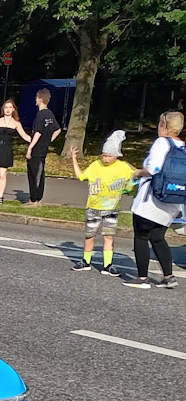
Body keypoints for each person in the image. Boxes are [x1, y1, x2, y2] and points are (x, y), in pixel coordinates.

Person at [122, 111, 185, 288]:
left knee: (141, 236)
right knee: (158, 237)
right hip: (173, 198)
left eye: (159, 123)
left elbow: (153, 168)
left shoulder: (162, 142)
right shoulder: (183, 146)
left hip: (152, 199)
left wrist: (138, 172)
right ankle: (168, 276)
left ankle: (142, 279)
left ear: (164, 125)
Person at [68, 131, 133, 276]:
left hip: (111, 208)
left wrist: (128, 188)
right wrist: (74, 159)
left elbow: (134, 176)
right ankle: (86, 261)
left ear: (117, 155)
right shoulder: (95, 165)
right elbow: (81, 176)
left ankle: (108, 265)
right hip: (93, 207)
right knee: (90, 235)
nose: (106, 158)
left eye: (109, 156)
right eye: (104, 155)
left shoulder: (124, 167)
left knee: (108, 236)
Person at [0, 99, 32, 204]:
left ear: (13, 109)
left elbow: (25, 136)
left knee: (2, 174)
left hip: (6, 150)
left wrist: (36, 141)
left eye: (10, 107)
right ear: (3, 109)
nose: (8, 110)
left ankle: (0, 197)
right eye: (6, 107)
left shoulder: (16, 123)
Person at [24, 88, 62, 206]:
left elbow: (38, 132)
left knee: (34, 174)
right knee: (40, 173)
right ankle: (38, 198)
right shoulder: (50, 114)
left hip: (37, 149)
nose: (35, 99)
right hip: (44, 149)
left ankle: (34, 199)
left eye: (36, 97)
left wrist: (30, 147)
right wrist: (48, 140)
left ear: (40, 99)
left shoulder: (40, 115)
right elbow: (58, 130)